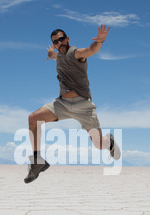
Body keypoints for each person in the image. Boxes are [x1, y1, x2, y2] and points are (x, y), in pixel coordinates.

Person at [24, 25, 121, 184]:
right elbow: (58, 58)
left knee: (98, 144)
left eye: (62, 39)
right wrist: (52, 54)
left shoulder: (76, 53)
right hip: (62, 104)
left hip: (83, 106)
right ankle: (37, 162)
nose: (59, 42)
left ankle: (109, 142)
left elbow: (90, 50)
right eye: (56, 41)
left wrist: (100, 42)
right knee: (33, 118)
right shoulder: (59, 56)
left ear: (68, 39)